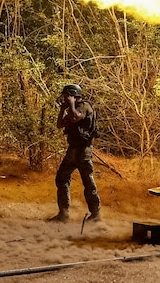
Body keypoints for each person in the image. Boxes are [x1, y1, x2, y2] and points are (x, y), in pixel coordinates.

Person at [49, 83, 101, 223]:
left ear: (73, 95)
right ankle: (63, 213)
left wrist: (71, 105)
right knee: (61, 178)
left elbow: (75, 117)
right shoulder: (72, 108)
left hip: (83, 151)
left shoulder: (84, 106)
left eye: (67, 96)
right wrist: (62, 110)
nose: (65, 98)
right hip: (72, 150)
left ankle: (95, 214)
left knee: (88, 182)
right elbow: (60, 125)